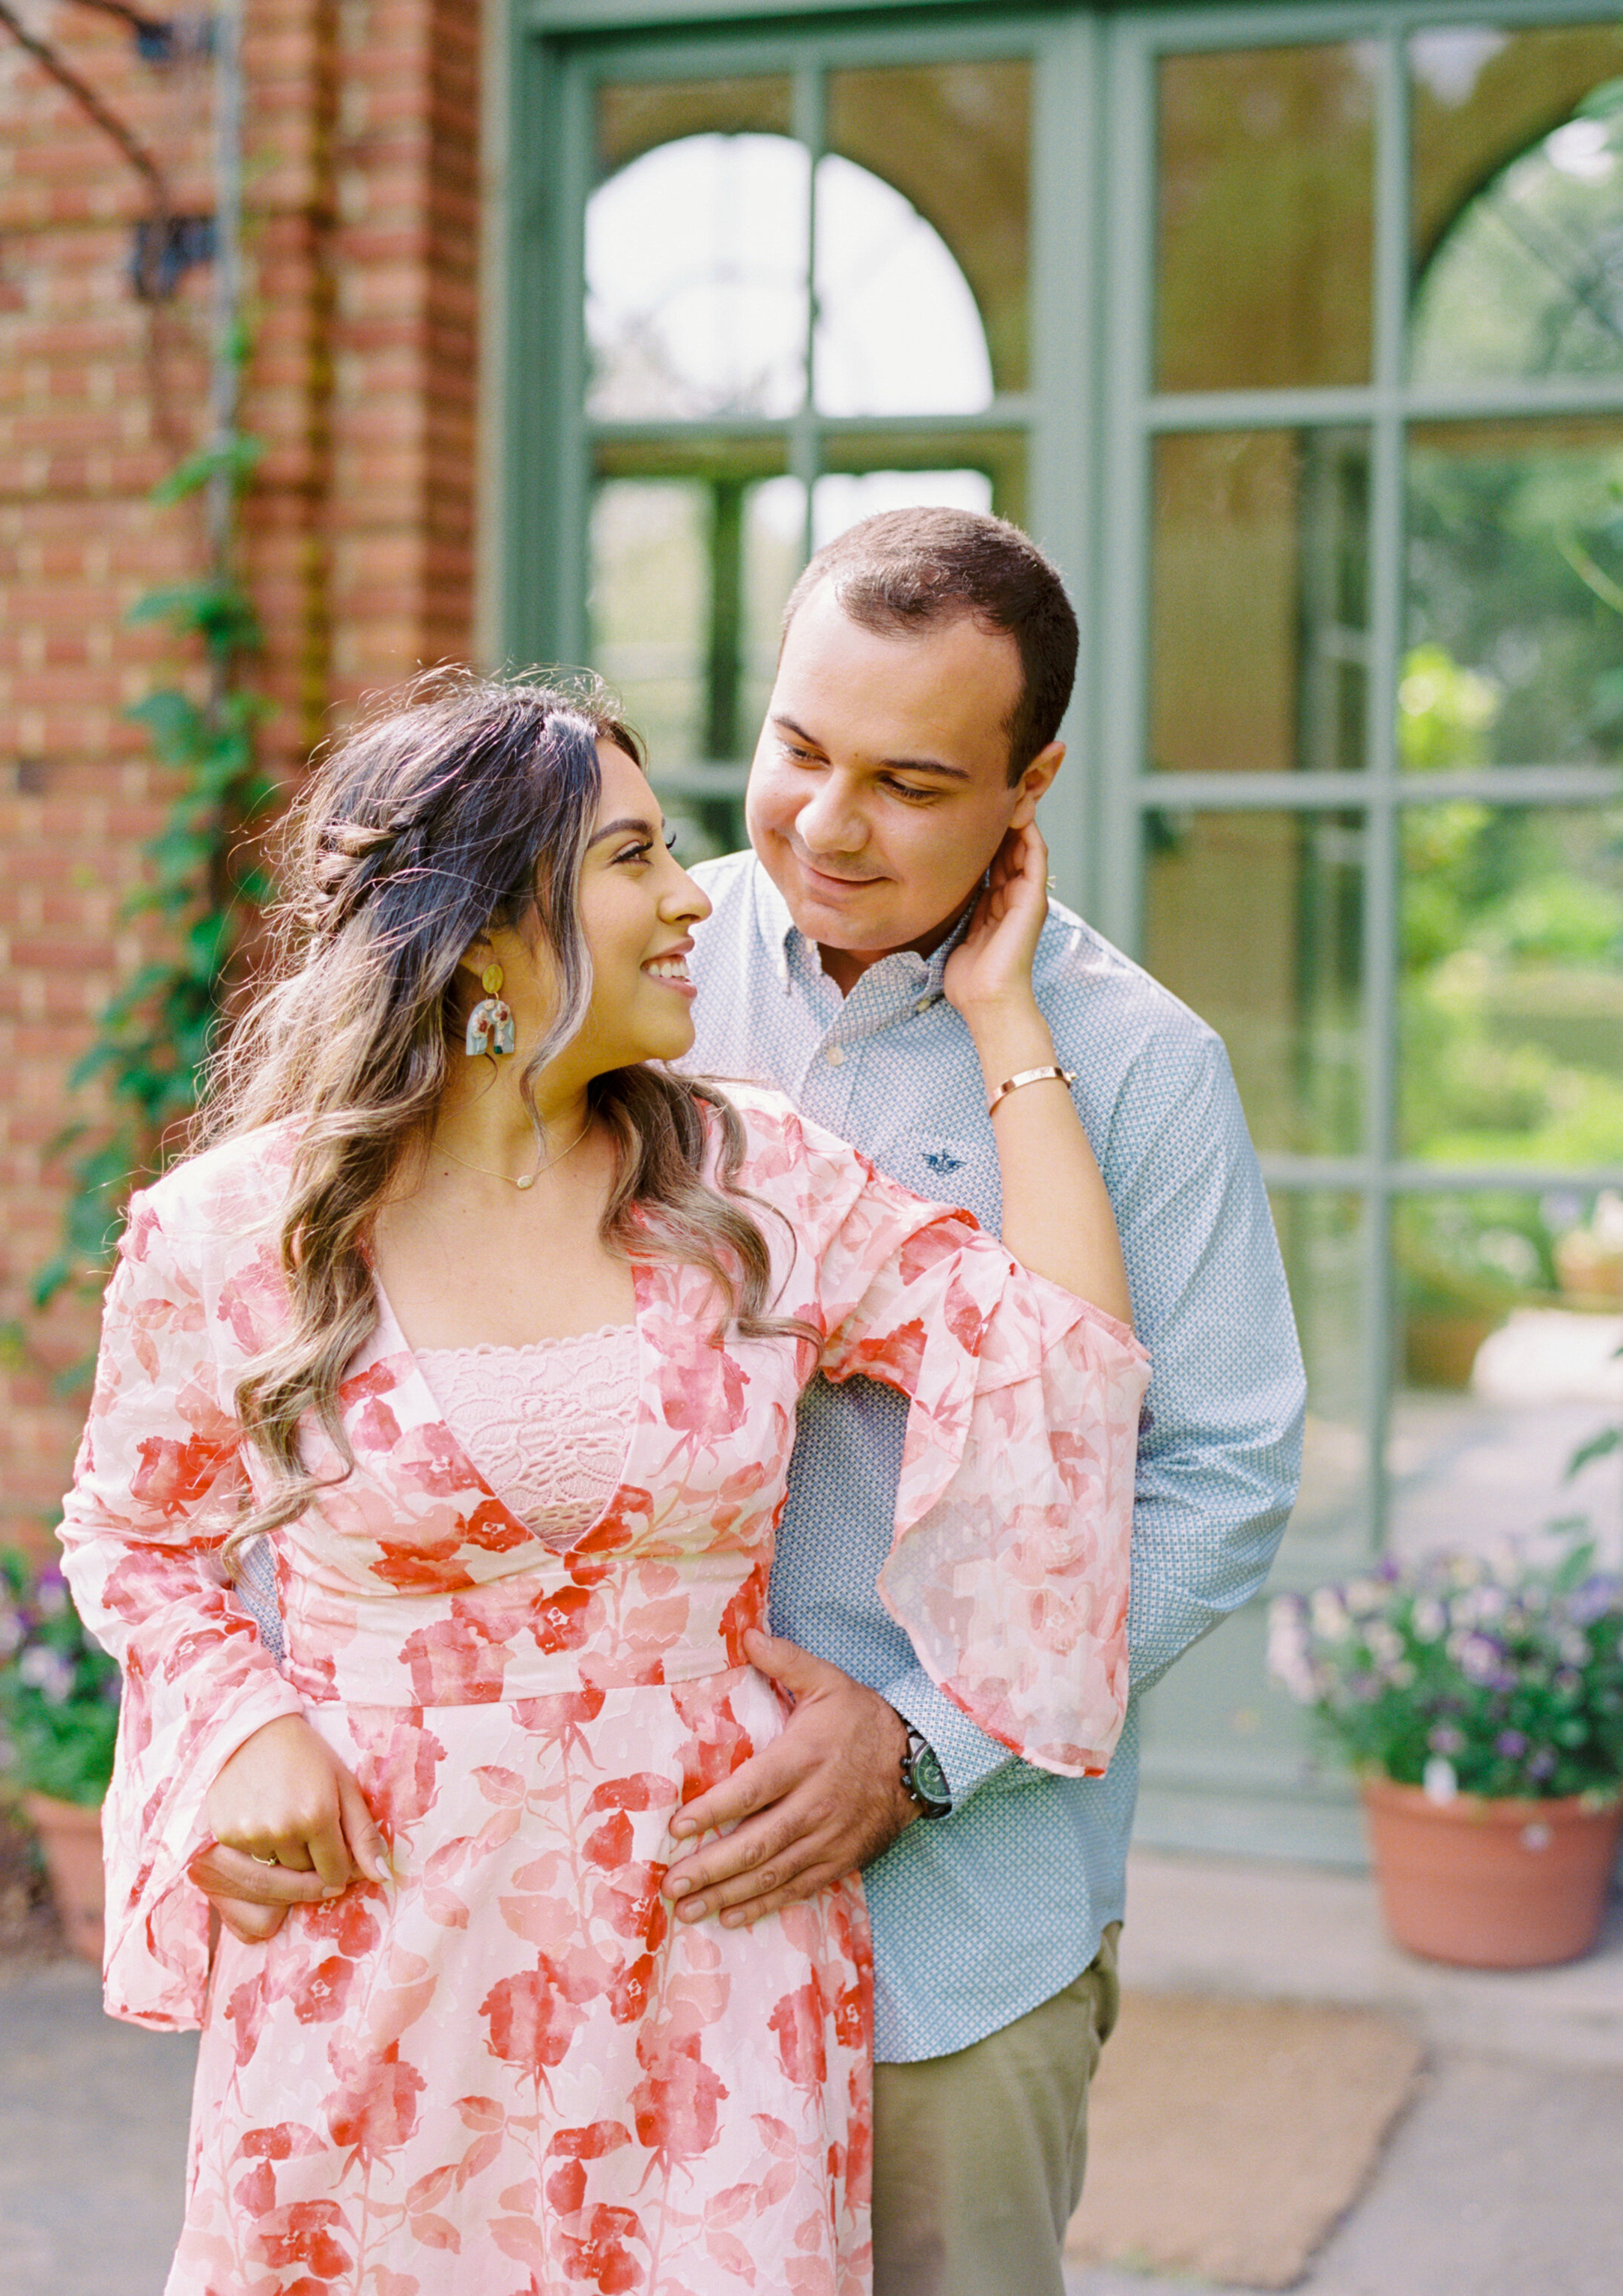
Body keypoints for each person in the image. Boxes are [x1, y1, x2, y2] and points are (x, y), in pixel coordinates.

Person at [59, 673, 1150, 2296]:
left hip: (711, 1957)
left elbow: (1059, 1360)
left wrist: (1004, 1018)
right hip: (378, 1967)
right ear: (489, 926)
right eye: (632, 855)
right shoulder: (231, 1235)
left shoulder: (745, 1178)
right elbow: (131, 1534)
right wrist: (241, 1721)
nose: (694, 892)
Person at [661, 506, 1306, 2295]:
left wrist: (924, 1743)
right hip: (632, 1895)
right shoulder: (626, 967)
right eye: (796, 748)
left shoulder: (1139, 1065)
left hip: (959, 1936)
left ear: (1029, 783)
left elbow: (1223, 1479)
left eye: (910, 779)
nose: (827, 823)